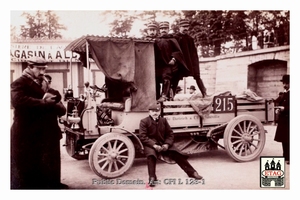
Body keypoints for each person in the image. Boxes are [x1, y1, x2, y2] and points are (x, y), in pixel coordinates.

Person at [11, 56, 68, 189]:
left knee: (49, 158)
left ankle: (52, 184)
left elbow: (51, 96)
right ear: (30, 67)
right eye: (39, 68)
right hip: (27, 129)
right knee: (28, 160)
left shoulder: (43, 82)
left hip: (46, 129)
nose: (42, 72)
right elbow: (17, 101)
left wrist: (55, 99)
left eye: (44, 68)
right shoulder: (19, 82)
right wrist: (43, 102)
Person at [139, 102, 203, 187]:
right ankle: (152, 177)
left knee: (177, 153)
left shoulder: (163, 120)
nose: (155, 113)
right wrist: (154, 145)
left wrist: (167, 144)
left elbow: (170, 134)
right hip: (151, 144)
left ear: (160, 112)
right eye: (153, 111)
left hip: (163, 143)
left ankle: (192, 172)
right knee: (151, 155)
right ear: (149, 112)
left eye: (157, 111)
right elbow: (143, 137)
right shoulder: (144, 121)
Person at [154, 21, 188, 102]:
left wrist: (174, 59)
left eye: (165, 28)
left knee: (166, 78)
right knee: (156, 80)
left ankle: (164, 95)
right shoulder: (156, 40)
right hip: (158, 65)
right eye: (162, 28)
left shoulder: (172, 39)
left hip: (168, 64)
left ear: (168, 29)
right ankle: (156, 96)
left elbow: (178, 51)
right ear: (159, 30)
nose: (163, 30)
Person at [173, 19, 207, 98]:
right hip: (180, 61)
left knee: (197, 76)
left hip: (189, 61)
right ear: (179, 27)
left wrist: (194, 63)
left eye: (187, 27)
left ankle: (204, 93)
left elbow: (193, 52)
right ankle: (171, 96)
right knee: (175, 78)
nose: (185, 28)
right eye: (183, 27)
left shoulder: (190, 39)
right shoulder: (175, 38)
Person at [274, 74, 290, 164]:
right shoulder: (285, 93)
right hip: (284, 119)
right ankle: (285, 156)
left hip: (289, 120)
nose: (285, 85)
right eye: (284, 83)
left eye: (287, 83)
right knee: (284, 139)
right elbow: (278, 101)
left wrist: (284, 108)